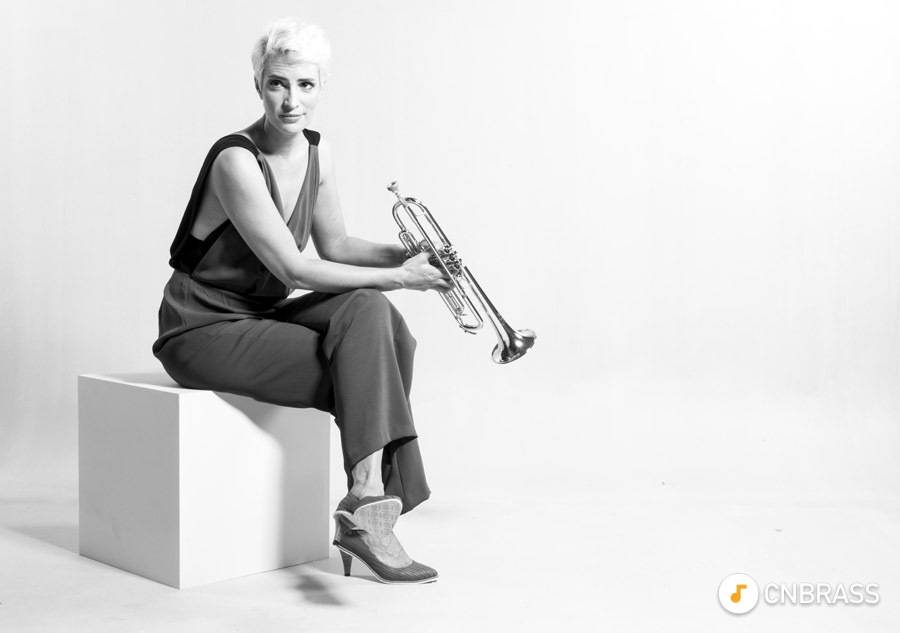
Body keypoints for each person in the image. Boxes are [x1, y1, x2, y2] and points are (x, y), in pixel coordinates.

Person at [151, 17, 447, 584]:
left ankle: (364, 500)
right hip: (202, 326)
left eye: (305, 85)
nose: (291, 101)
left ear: (321, 87)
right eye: (277, 84)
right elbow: (293, 267)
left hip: (264, 313)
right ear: (258, 84)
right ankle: (369, 509)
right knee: (362, 362)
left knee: (373, 314)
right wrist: (402, 279)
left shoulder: (317, 151)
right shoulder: (236, 160)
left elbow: (337, 246)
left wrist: (409, 253)